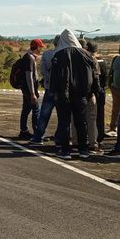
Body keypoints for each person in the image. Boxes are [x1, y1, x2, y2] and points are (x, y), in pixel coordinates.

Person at [50, 29, 99, 159]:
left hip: (63, 95)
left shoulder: (59, 55)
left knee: (64, 122)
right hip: (82, 94)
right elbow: (94, 75)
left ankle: (66, 151)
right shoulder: (87, 55)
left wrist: (54, 92)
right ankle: (83, 149)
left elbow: (55, 77)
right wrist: (94, 91)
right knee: (81, 122)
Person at [29, 35, 60, 145]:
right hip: (62, 90)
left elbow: (42, 70)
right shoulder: (67, 55)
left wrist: (49, 79)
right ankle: (59, 138)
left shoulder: (47, 54)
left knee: (44, 114)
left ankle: (38, 137)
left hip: (49, 88)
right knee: (63, 116)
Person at [19, 39, 44, 139]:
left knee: (26, 109)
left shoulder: (29, 57)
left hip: (26, 89)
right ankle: (37, 133)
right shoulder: (29, 58)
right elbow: (29, 76)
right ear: (37, 47)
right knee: (36, 110)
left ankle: (23, 130)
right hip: (29, 89)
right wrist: (32, 93)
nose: (41, 49)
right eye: (40, 47)